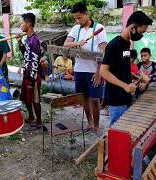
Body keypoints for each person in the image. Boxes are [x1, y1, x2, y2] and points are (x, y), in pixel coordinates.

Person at [100, 11, 153, 127]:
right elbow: (103, 71)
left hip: (125, 94)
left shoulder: (126, 44)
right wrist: (125, 86)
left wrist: (135, 76)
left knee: (124, 126)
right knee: (116, 128)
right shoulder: (114, 45)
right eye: (140, 32)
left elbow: (122, 66)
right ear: (132, 28)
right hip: (116, 95)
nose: (141, 35)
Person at [63, 2, 107, 134]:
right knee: (84, 99)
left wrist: (99, 72)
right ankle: (90, 123)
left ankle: (97, 126)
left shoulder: (99, 28)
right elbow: (66, 44)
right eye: (75, 18)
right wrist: (78, 43)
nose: (77, 20)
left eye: (79, 17)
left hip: (93, 71)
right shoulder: (76, 29)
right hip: (79, 70)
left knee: (95, 99)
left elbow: (103, 52)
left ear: (87, 14)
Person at [16, 13, 43, 129]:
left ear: (28, 24)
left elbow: (35, 62)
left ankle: (39, 121)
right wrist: (19, 42)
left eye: (22, 23)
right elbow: (26, 54)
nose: (21, 26)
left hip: (34, 75)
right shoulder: (28, 38)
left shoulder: (35, 41)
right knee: (26, 96)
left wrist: (32, 81)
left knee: (35, 98)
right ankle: (31, 117)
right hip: (27, 72)